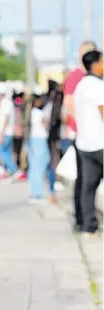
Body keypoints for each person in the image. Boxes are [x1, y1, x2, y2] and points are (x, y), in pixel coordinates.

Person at [62, 41, 97, 232]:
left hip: (92, 136)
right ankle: (82, 217)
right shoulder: (76, 77)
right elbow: (69, 103)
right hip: (80, 134)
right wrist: (82, 125)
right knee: (84, 179)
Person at [73, 50, 103, 237]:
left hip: (84, 142)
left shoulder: (81, 85)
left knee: (88, 186)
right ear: (95, 64)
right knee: (89, 185)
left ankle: (88, 226)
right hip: (100, 141)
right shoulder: (96, 85)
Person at [26, 91, 51, 203]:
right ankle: (37, 193)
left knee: (34, 167)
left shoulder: (30, 112)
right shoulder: (38, 113)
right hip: (39, 140)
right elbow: (45, 124)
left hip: (32, 140)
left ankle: (34, 192)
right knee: (40, 166)